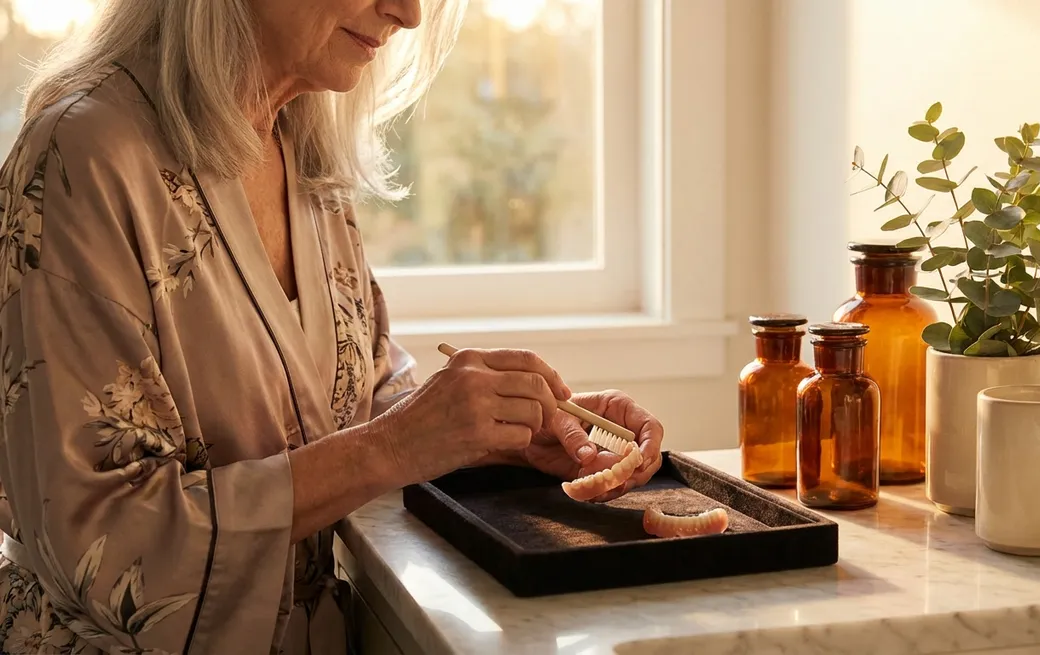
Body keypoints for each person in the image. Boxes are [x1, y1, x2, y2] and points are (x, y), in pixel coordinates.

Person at [0, 0, 665, 652]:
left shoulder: (302, 152)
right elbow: (99, 547)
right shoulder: (81, 157)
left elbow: (350, 406)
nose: (407, 14)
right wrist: (393, 445)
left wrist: (500, 429)